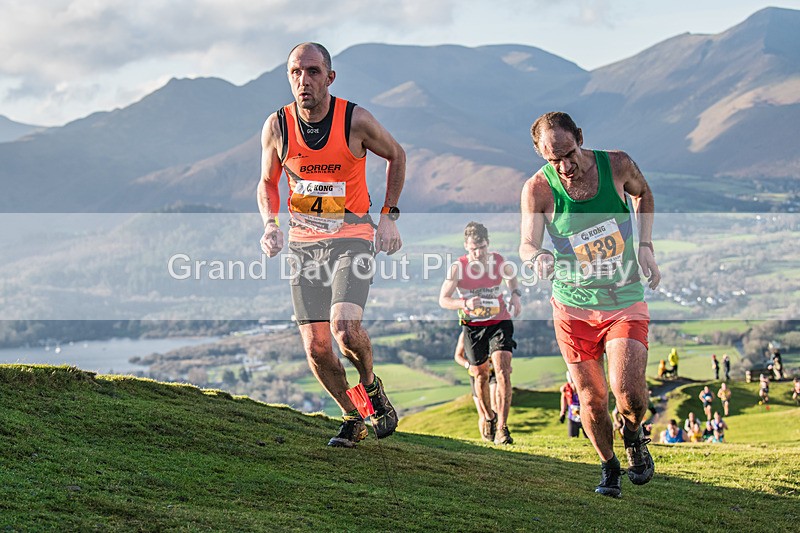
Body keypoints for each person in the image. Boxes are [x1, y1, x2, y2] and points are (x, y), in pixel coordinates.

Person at [258, 42, 406, 447]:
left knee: (344, 329)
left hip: (351, 238)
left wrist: (389, 216)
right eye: (295, 72)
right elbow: (267, 182)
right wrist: (270, 224)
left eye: (312, 71)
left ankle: (371, 386)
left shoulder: (355, 120)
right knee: (317, 348)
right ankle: (353, 416)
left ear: (330, 77)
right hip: (304, 245)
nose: (303, 80)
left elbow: (397, 155)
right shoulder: (278, 126)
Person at [519, 111, 660, 498]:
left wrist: (645, 245)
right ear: (541, 154)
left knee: (629, 394)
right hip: (573, 307)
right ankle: (609, 466)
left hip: (623, 298)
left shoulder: (617, 165)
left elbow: (643, 193)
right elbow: (527, 243)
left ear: (580, 137)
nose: (565, 166)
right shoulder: (538, 189)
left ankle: (633, 433)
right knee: (592, 400)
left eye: (569, 153)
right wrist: (537, 257)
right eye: (553, 160)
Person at [440, 222, 522, 445]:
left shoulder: (498, 261)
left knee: (503, 371)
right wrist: (464, 303)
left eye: (482, 247)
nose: (478, 253)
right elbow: (443, 299)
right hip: (473, 327)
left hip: (499, 321)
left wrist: (515, 295)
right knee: (481, 375)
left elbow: (511, 277)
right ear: (466, 247)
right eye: (473, 249)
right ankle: (489, 417)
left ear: (488, 243)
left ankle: (503, 427)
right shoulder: (458, 267)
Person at [454, 330, 498, 441]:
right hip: (476, 376)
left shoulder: (493, 328)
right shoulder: (465, 334)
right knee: (482, 412)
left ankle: (497, 435)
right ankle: (485, 440)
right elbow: (458, 356)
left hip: (492, 373)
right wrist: (468, 365)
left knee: (494, 405)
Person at [560, 371, 586, 438]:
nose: (573, 385)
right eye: (571, 383)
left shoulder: (584, 387)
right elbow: (564, 399)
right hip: (572, 418)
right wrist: (562, 413)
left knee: (589, 438)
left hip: (585, 417)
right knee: (572, 438)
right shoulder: (566, 388)